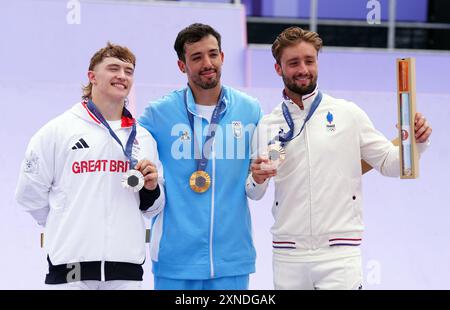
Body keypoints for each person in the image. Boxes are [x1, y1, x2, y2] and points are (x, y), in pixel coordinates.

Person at [246, 27, 432, 290]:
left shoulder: (348, 114)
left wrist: (417, 143)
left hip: (339, 254)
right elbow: (253, 193)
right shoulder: (267, 125)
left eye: (309, 61)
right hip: (288, 255)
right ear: (279, 69)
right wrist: (256, 178)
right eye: (294, 63)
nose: (303, 69)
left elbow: (391, 164)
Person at [15, 42, 165, 290]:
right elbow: (29, 195)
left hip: (125, 272)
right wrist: (64, 222)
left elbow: (153, 208)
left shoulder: (144, 138)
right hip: (70, 271)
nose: (122, 76)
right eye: (113, 68)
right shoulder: (58, 130)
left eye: (128, 71)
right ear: (92, 77)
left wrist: (150, 187)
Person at [139, 23, 262, 290]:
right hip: (175, 260)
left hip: (232, 260)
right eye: (196, 57)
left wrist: (262, 176)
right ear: (182, 65)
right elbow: (130, 157)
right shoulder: (158, 114)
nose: (208, 63)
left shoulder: (250, 110)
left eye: (213, 54)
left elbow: (258, 182)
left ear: (222, 57)